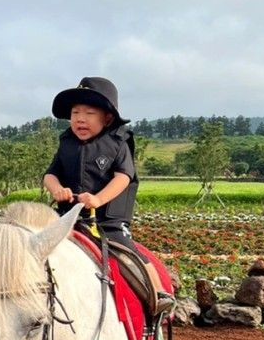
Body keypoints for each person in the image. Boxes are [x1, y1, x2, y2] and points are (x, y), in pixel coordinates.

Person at [43, 76, 175, 319]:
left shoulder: (118, 142)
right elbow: (50, 175)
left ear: (108, 118)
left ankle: (158, 297)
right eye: (75, 113)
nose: (80, 119)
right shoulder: (66, 143)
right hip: (67, 217)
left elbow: (123, 177)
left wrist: (98, 199)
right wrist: (56, 189)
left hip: (107, 222)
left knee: (131, 254)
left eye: (89, 113)